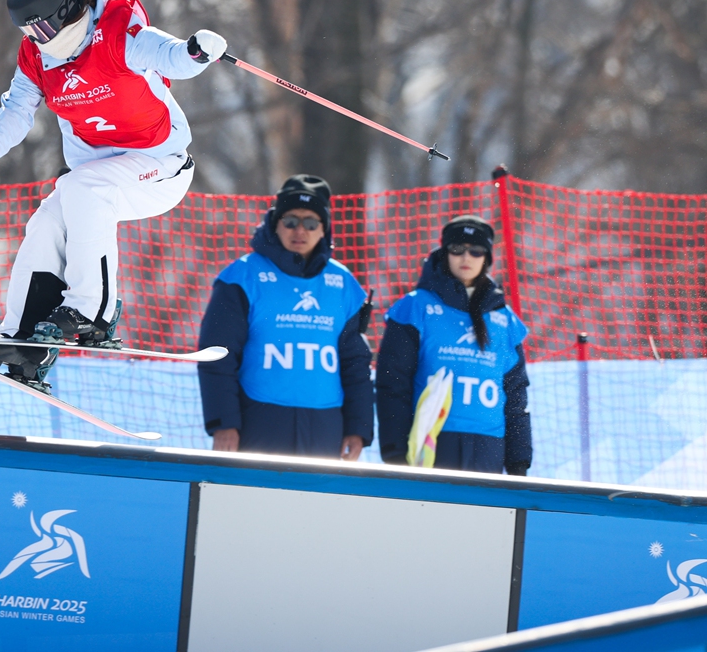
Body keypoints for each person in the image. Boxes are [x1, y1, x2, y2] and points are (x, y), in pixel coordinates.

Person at [0, 0, 227, 390]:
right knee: (46, 222)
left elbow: (170, 55)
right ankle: (21, 341)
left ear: (68, 10)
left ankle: (92, 313)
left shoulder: (119, 31)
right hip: (98, 179)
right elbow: (18, 109)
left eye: (41, 30)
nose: (36, 41)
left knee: (81, 185)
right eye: (27, 32)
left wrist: (196, 51)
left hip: (161, 168)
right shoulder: (36, 57)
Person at [197, 175, 373, 458]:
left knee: (316, 501)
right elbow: (217, 356)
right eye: (291, 221)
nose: (299, 230)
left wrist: (358, 428)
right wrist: (223, 423)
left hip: (325, 426)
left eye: (311, 223)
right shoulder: (241, 277)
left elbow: (356, 364)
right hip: (258, 420)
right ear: (275, 222)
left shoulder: (344, 284)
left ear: (323, 228)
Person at [376, 215, 532, 474]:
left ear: (487, 258)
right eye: (457, 249)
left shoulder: (505, 321)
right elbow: (393, 383)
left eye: (476, 250)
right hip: (431, 444)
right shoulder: (416, 307)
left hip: (488, 449)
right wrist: (395, 452)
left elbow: (516, 396)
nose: (466, 257)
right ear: (445, 252)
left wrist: (518, 462)